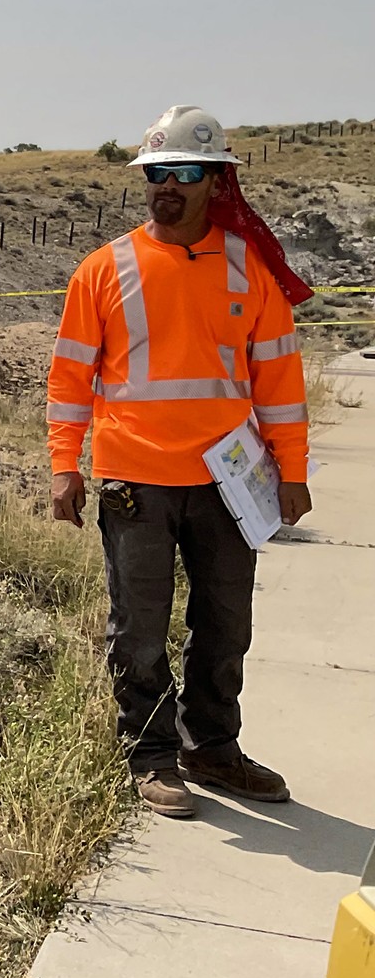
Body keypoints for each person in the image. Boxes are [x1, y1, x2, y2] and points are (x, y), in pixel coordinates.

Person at [48, 106, 312, 818]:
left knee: (226, 623)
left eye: (185, 173)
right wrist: (64, 467)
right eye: (157, 172)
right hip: (135, 478)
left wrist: (292, 471)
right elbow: (70, 379)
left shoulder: (247, 270)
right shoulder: (105, 270)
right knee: (138, 628)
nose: (168, 185)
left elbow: (279, 382)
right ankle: (152, 754)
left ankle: (213, 749)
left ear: (215, 181)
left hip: (228, 484)